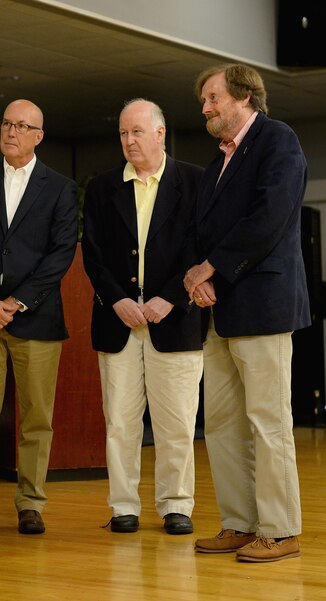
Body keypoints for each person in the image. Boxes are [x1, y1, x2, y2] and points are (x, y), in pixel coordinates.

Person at [184, 64, 310, 562]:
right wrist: (198, 278)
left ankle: (279, 531)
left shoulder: (278, 141)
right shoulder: (217, 162)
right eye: (203, 101)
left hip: (263, 308)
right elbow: (203, 229)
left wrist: (210, 267)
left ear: (244, 97)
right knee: (221, 424)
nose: (205, 108)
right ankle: (239, 523)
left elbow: (269, 217)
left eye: (212, 97)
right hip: (219, 311)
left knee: (269, 422)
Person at [0, 99, 77, 535]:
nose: (11, 131)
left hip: (35, 320)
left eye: (22, 126)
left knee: (37, 417)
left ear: (38, 136)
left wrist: (15, 303)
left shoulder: (59, 187)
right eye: (6, 123)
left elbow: (61, 253)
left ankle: (31, 502)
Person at [82, 99, 203, 535]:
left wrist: (170, 297)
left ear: (160, 133)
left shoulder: (194, 182)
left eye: (136, 132)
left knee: (176, 423)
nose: (129, 141)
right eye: (122, 134)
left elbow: (199, 247)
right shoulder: (102, 187)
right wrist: (117, 300)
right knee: (120, 422)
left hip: (175, 320)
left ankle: (176, 504)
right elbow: (93, 257)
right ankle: (123, 506)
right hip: (118, 322)